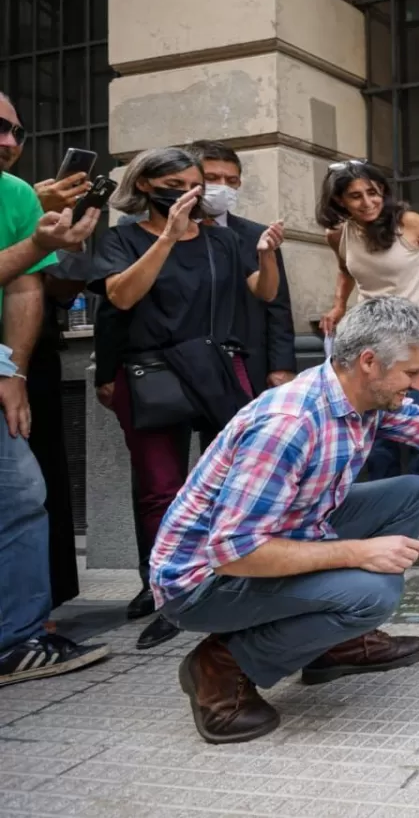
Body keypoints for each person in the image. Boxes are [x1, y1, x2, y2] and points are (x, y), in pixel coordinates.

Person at [150, 296, 419, 744]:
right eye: (411, 373)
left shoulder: (363, 396)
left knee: (411, 493)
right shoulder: (288, 424)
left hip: (281, 535)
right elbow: (235, 552)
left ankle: (328, 645)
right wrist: (361, 552)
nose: (418, 385)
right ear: (369, 361)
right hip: (202, 584)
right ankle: (221, 665)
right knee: (373, 593)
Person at [92, 146, 286, 652]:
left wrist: (265, 256)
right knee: (162, 489)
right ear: (145, 188)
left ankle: (230, 580)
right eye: (175, 184)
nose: (189, 193)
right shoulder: (121, 239)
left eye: (193, 183)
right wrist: (167, 240)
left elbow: (262, 293)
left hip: (220, 368)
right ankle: (169, 597)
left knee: (235, 481)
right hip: (152, 373)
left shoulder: (221, 241)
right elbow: (121, 297)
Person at [0, 90, 111, 686]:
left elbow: (21, 288)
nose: (10, 143)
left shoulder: (16, 195)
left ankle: (14, 642)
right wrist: (40, 244)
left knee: (20, 496)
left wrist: (11, 372)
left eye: (17, 131)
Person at [316, 160, 419, 480]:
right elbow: (345, 271)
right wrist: (337, 307)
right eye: (355, 196)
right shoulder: (338, 234)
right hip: (367, 339)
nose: (367, 202)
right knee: (372, 426)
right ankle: (381, 501)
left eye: (373, 192)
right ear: (340, 201)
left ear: (382, 191)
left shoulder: (408, 223)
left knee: (418, 423)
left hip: (413, 340)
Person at [188, 140, 297, 395]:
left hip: (246, 362)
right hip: (185, 361)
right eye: (212, 178)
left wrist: (282, 365)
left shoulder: (256, 235)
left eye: (232, 181)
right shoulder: (163, 232)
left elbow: (278, 307)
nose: (223, 187)